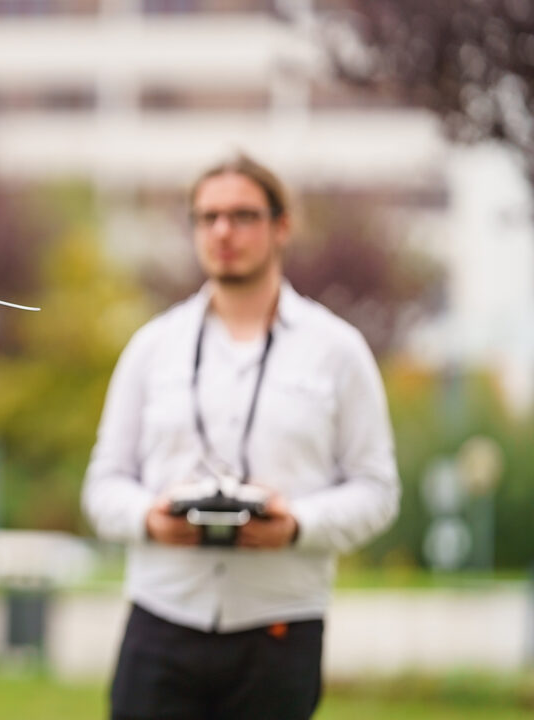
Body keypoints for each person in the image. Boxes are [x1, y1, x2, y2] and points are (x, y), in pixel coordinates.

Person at [82, 153, 400, 720]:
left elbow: (377, 490)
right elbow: (104, 484)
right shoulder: (152, 347)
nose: (223, 231)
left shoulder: (338, 350)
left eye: (243, 215)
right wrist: (149, 519)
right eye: (207, 217)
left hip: (279, 627)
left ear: (282, 226)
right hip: (163, 621)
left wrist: (298, 525)